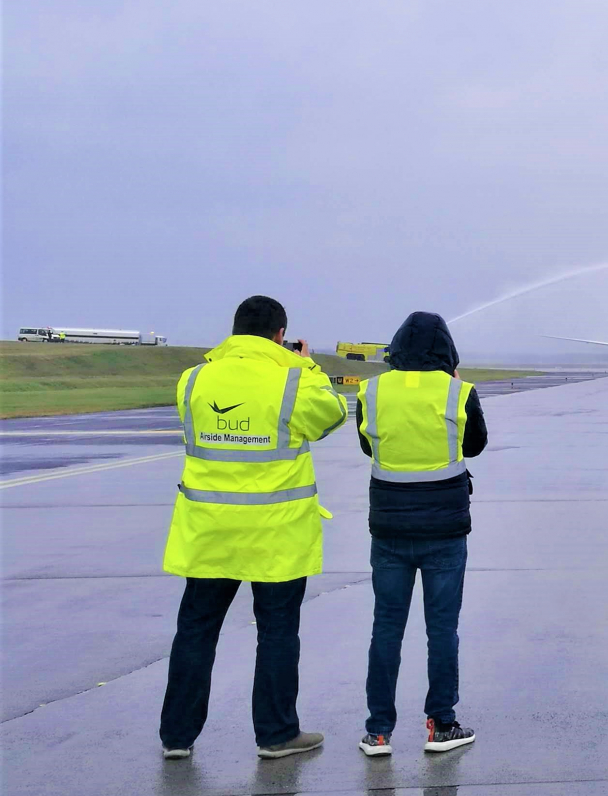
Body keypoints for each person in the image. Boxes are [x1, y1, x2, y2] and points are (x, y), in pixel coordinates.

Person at [158, 295, 347, 760]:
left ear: (235, 330)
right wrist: (308, 366)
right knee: (277, 632)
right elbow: (333, 414)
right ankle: (277, 734)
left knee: (196, 629)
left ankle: (177, 736)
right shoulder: (294, 380)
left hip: (209, 530)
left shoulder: (193, 378)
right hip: (275, 533)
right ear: (281, 335)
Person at [355, 312, 487, 756]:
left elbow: (368, 445)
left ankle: (378, 731)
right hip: (445, 529)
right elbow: (475, 446)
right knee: (442, 630)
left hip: (389, 528)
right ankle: (441, 725)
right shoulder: (458, 392)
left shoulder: (372, 391)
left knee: (386, 628)